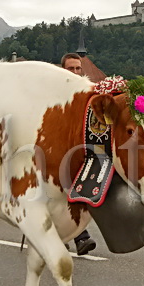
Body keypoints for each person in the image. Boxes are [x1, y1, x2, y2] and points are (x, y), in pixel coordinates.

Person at [61, 52, 96, 255]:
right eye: (70, 69)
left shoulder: (87, 93)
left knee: (77, 192)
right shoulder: (55, 94)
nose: (75, 72)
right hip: (53, 152)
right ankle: (79, 237)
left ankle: (73, 235)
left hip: (78, 151)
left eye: (77, 68)